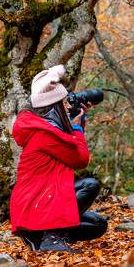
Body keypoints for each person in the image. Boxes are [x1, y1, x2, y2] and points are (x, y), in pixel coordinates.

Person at [10, 65, 108, 253]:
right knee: (90, 185)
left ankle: (41, 237)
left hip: (40, 202)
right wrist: (76, 128)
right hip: (35, 205)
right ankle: (51, 238)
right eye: (64, 103)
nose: (69, 106)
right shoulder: (43, 134)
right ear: (53, 106)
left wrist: (78, 122)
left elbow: (70, 147)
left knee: (98, 224)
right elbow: (80, 160)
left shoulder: (45, 128)